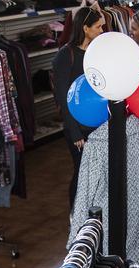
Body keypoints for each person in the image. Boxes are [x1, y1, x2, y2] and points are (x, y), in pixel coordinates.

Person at [52, 6, 105, 208]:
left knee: (97, 171)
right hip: (79, 128)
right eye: (98, 27)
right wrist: (75, 133)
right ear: (85, 28)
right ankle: (76, 213)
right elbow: (63, 97)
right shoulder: (65, 56)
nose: (102, 31)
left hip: (98, 124)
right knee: (82, 171)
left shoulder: (96, 52)